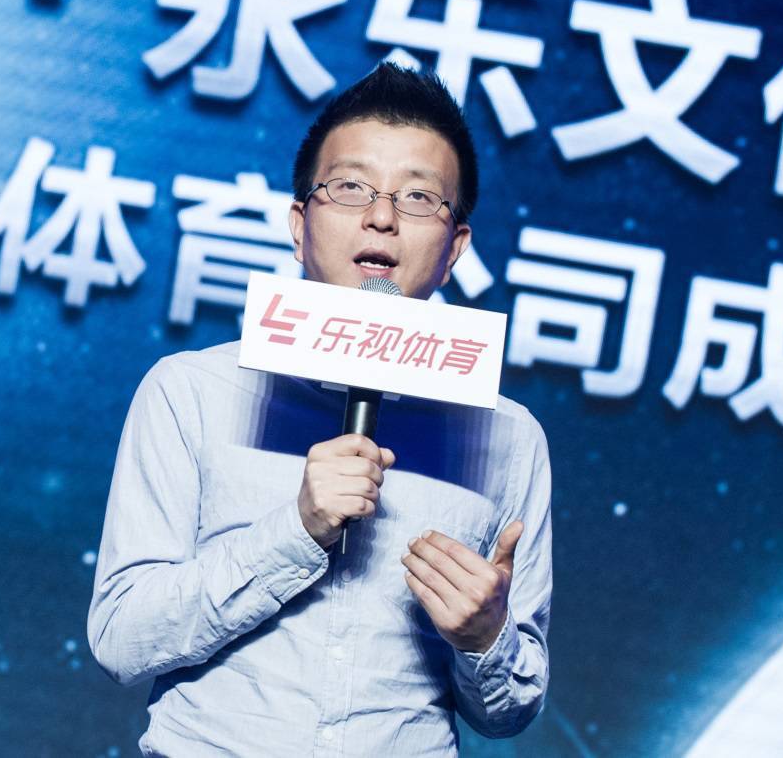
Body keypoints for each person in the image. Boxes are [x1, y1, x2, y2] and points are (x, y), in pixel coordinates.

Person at [87, 63, 552, 756]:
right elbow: (122, 640)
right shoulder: (193, 391)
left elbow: (509, 712)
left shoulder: (507, 436)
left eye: (418, 197)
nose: (381, 217)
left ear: (454, 247)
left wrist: (485, 638)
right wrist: (295, 531)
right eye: (351, 187)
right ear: (299, 224)